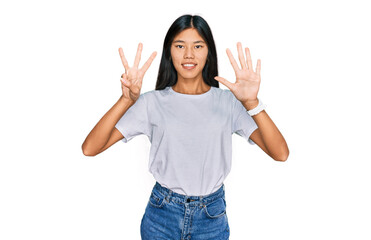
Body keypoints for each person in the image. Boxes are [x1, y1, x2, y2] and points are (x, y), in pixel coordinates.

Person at [82, 14, 289, 240]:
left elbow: (280, 153)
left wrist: (251, 103)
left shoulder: (228, 102)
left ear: (208, 51)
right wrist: (126, 101)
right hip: (162, 216)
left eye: (198, 46)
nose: (189, 54)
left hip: (211, 218)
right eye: (180, 45)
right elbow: (90, 148)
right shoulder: (151, 102)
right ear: (169, 51)